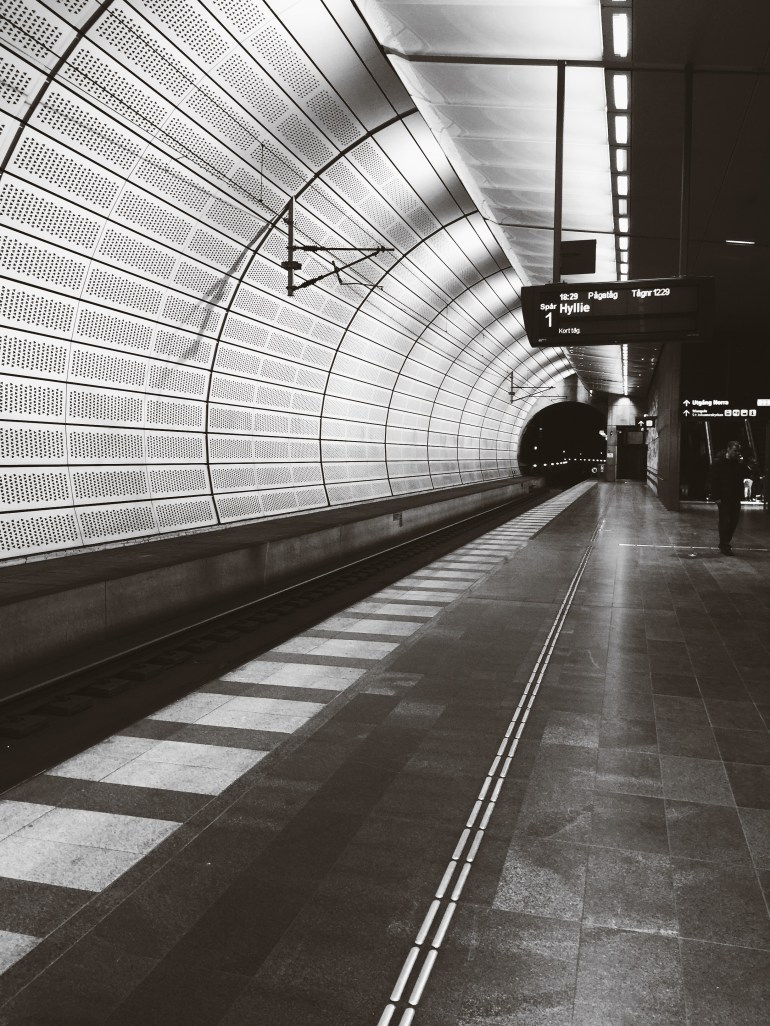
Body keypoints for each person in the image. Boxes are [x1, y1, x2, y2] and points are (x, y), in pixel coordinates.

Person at [707, 440, 747, 554]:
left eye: (738, 451)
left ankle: (724, 542)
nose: (737, 453)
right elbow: (713, 480)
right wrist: (716, 496)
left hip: (735, 496)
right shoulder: (718, 462)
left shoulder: (737, 463)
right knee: (725, 520)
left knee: (734, 521)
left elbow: (745, 475)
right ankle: (725, 544)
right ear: (728, 449)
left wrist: (742, 464)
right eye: (735, 451)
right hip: (723, 497)